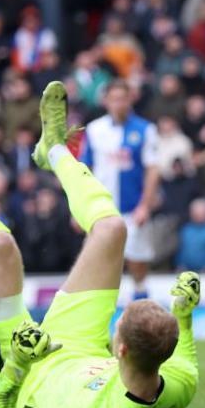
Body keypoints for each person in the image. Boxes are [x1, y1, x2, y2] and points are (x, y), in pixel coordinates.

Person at [0, 80, 200, 408]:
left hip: (26, 367)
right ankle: (53, 149)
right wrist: (183, 314)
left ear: (121, 348)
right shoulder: (179, 384)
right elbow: (186, 362)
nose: (114, 326)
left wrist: (15, 366)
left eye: (119, 322)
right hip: (81, 346)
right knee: (113, 229)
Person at [81, 79, 160, 299]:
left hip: (133, 207)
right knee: (99, 259)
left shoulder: (145, 129)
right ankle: (100, 303)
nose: (119, 104)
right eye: (114, 99)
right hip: (101, 209)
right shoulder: (95, 130)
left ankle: (140, 295)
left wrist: (145, 205)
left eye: (123, 98)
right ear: (106, 101)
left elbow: (152, 170)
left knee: (137, 259)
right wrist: (81, 205)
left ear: (130, 99)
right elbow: (84, 169)